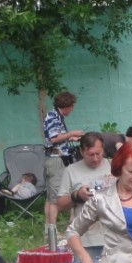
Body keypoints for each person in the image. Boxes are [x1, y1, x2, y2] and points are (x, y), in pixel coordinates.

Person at [57, 132, 113, 261]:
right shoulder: (71, 171)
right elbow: (60, 205)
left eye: (98, 153)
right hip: (85, 241)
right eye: (90, 154)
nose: (95, 158)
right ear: (81, 152)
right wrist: (77, 196)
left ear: (103, 149)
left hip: (114, 239)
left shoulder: (114, 167)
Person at [42, 91, 84, 248]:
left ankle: (48, 230)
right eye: (71, 106)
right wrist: (71, 133)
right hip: (55, 160)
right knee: (55, 197)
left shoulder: (57, 117)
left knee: (50, 197)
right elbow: (53, 138)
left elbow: (58, 137)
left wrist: (70, 138)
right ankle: (52, 232)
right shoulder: (53, 116)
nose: (72, 109)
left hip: (55, 158)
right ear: (65, 106)